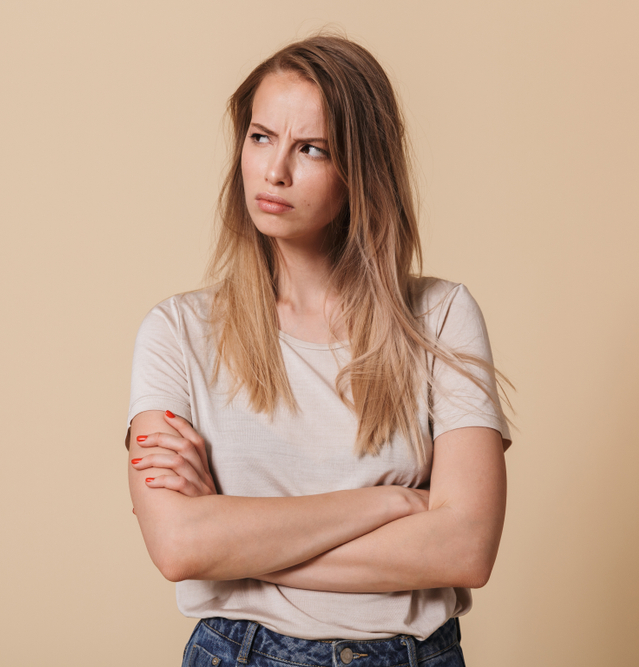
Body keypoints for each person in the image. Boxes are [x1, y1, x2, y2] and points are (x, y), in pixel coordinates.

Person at [126, 34, 511, 667]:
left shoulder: (440, 316)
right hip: (240, 654)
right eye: (260, 137)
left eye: (311, 148)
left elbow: (464, 549)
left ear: (362, 170)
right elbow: (178, 546)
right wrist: (390, 502)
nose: (275, 170)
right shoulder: (178, 332)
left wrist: (235, 541)